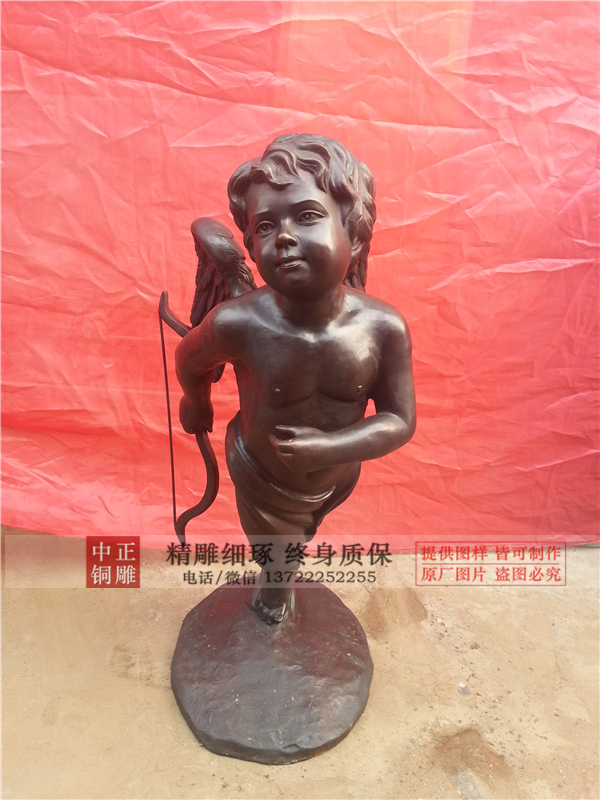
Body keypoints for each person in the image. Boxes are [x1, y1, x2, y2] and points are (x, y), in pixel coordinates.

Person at [176, 133, 416, 624]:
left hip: (335, 474)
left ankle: (278, 585)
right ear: (251, 245)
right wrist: (196, 401)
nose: (283, 237)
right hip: (260, 472)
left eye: (307, 216)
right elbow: (188, 356)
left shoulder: (382, 329)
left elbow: (399, 420)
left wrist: (329, 449)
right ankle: (274, 595)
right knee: (277, 560)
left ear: (354, 232)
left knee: (293, 546)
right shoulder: (238, 323)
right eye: (265, 226)